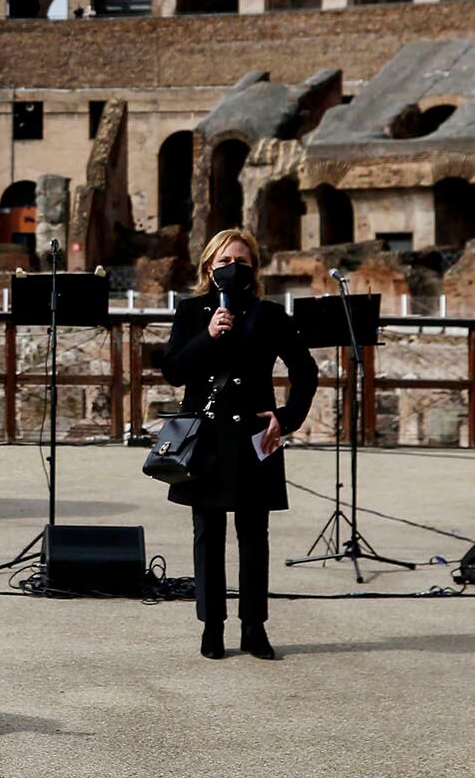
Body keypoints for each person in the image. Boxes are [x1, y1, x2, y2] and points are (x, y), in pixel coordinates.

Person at [161, 227, 318, 660]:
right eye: (225, 261)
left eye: (242, 262)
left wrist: (286, 417)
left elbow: (305, 371)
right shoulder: (191, 311)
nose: (234, 268)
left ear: (255, 269)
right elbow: (173, 371)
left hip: (253, 436)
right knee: (207, 533)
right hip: (205, 437)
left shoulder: (271, 315)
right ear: (209, 267)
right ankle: (212, 626)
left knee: (253, 535)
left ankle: (254, 626)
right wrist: (208, 335)